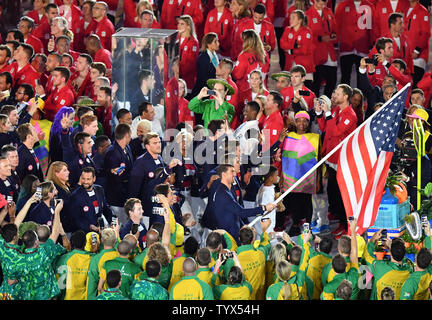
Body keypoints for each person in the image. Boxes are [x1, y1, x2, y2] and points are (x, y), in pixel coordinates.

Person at [315, 84, 357, 238]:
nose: (335, 95)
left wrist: (327, 113)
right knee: (332, 191)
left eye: (338, 93)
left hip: (342, 160)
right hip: (332, 158)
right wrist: (320, 113)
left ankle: (347, 227)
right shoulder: (337, 110)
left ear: (346, 96)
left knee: (342, 196)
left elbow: (336, 130)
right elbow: (326, 127)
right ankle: (339, 220)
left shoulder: (350, 115)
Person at [206, 164, 276, 244]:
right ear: (224, 175)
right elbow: (241, 212)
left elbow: (236, 213)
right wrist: (264, 208)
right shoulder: (222, 194)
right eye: (232, 172)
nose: (235, 174)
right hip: (229, 237)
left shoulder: (227, 190)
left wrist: (243, 225)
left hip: (232, 233)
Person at [10, 198, 62, 300]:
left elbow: (11, 281)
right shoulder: (44, 252)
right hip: (46, 296)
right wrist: (57, 212)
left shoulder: (17, 258)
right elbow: (55, 233)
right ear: (37, 242)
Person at [279, 110, 321, 235]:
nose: (302, 123)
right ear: (295, 122)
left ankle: (308, 229)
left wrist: (318, 180)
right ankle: (296, 225)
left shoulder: (314, 138)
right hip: (291, 177)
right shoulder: (289, 136)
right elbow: (284, 159)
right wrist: (281, 176)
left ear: (308, 123)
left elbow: (319, 160)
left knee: (307, 203)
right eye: (299, 120)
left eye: (305, 121)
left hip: (307, 178)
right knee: (294, 203)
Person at [128, 132, 179, 226]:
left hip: (159, 204)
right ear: (147, 146)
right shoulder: (141, 162)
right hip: (147, 206)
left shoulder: (159, 158)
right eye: (155, 143)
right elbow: (135, 188)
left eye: (159, 142)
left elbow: (160, 180)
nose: (158, 145)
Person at [363, 229, 414, 300]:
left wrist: (373, 238)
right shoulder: (410, 269)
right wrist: (392, 250)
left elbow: (367, 255)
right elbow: (403, 258)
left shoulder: (380, 267)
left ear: (391, 254)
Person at [321, 218, 359, 300]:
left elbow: (323, 284)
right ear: (346, 265)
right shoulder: (353, 275)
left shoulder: (327, 273)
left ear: (332, 267)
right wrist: (353, 231)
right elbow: (354, 254)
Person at [306, 0, 338, 98]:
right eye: (320, 3)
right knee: (316, 84)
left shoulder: (328, 12)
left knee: (332, 81)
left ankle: (326, 102)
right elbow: (306, 36)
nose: (322, 6)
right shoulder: (308, 15)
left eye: (324, 3)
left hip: (329, 52)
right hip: (316, 55)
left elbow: (335, 28)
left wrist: (333, 34)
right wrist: (319, 38)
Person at [103, 123, 134, 225]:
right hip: (116, 197)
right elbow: (115, 178)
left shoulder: (127, 148)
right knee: (119, 225)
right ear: (126, 136)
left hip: (125, 194)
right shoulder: (112, 152)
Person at [67, 166, 113, 233]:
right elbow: (75, 218)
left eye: (88, 179)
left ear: (94, 179)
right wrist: (90, 226)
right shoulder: (75, 196)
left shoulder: (99, 189)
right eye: (83, 179)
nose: (85, 182)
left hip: (99, 230)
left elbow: (106, 208)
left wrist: (112, 222)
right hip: (83, 233)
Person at [54, 230, 93, 300]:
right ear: (85, 243)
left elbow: (59, 286)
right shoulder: (93, 258)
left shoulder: (64, 259)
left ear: (71, 243)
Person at [280, 9, 314, 85]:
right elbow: (282, 44)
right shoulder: (287, 29)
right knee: (291, 91)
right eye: (290, 18)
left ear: (300, 20)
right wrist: (294, 46)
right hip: (290, 66)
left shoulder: (306, 32)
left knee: (305, 92)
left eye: (293, 18)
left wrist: (290, 51)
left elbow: (304, 50)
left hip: (305, 67)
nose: (290, 20)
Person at [232, 29, 270, 94]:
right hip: (262, 91)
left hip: (246, 92)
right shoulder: (265, 54)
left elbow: (237, 75)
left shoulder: (244, 56)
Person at [403, 0, 430, 87]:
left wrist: (417, 51)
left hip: (417, 58)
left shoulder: (423, 11)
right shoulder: (404, 9)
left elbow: (425, 34)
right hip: (405, 56)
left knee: (413, 86)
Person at [191, 32, 219, 99]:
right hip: (202, 94)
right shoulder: (203, 58)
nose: (218, 44)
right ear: (208, 44)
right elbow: (203, 80)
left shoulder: (214, 56)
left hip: (210, 91)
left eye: (217, 41)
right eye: (215, 42)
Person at [177, 15, 200, 96]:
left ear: (188, 27)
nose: (179, 26)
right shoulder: (177, 39)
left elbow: (191, 64)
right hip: (176, 77)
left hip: (187, 80)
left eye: (182, 24)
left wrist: (179, 72)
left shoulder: (193, 42)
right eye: (178, 23)